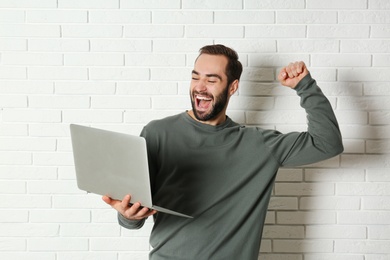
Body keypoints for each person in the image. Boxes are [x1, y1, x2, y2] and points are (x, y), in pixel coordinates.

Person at [102, 44, 344, 259]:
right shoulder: (157, 133)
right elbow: (133, 217)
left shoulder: (260, 144)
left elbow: (327, 143)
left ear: (232, 86)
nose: (200, 87)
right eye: (195, 77)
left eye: (211, 79)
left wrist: (305, 86)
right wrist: (129, 216)